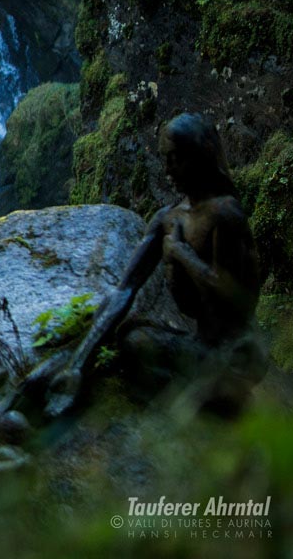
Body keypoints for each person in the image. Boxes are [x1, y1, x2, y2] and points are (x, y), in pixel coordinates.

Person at [47, 113, 265, 416]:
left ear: (198, 157)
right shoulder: (167, 218)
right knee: (132, 338)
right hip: (200, 344)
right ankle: (203, 393)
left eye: (175, 159)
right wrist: (78, 364)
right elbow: (125, 289)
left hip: (235, 353)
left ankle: (213, 395)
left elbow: (234, 298)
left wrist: (180, 253)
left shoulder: (224, 215)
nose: (167, 170)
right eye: (165, 159)